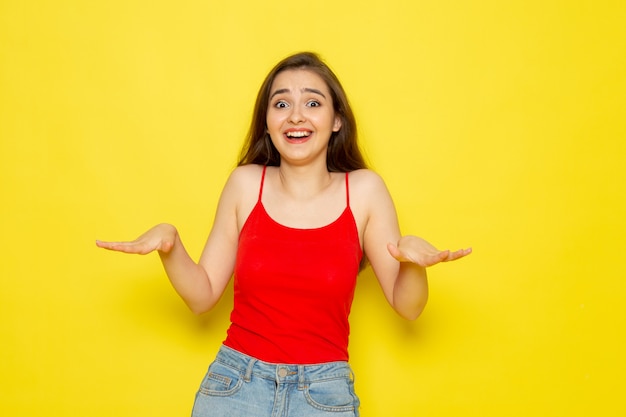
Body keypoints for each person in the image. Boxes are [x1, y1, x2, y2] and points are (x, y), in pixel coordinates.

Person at [96, 51, 471, 417]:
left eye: (312, 103)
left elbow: (408, 307)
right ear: (267, 122)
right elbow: (202, 296)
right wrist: (171, 246)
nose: (295, 116)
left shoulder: (364, 192)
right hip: (235, 387)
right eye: (281, 105)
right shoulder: (245, 185)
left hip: (325, 393)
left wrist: (413, 262)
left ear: (337, 119)